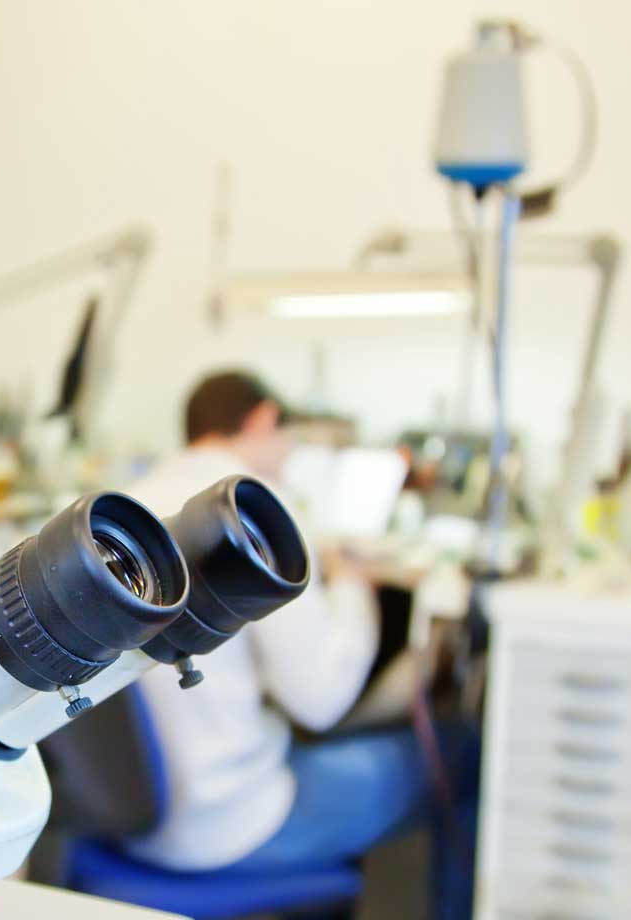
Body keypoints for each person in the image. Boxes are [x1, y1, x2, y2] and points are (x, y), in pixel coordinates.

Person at [120, 370, 474, 917]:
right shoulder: (255, 510)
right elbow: (322, 701)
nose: (288, 459)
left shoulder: (126, 504)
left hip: (134, 825)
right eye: (288, 442)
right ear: (262, 420)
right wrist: (353, 584)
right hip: (232, 825)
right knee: (462, 752)